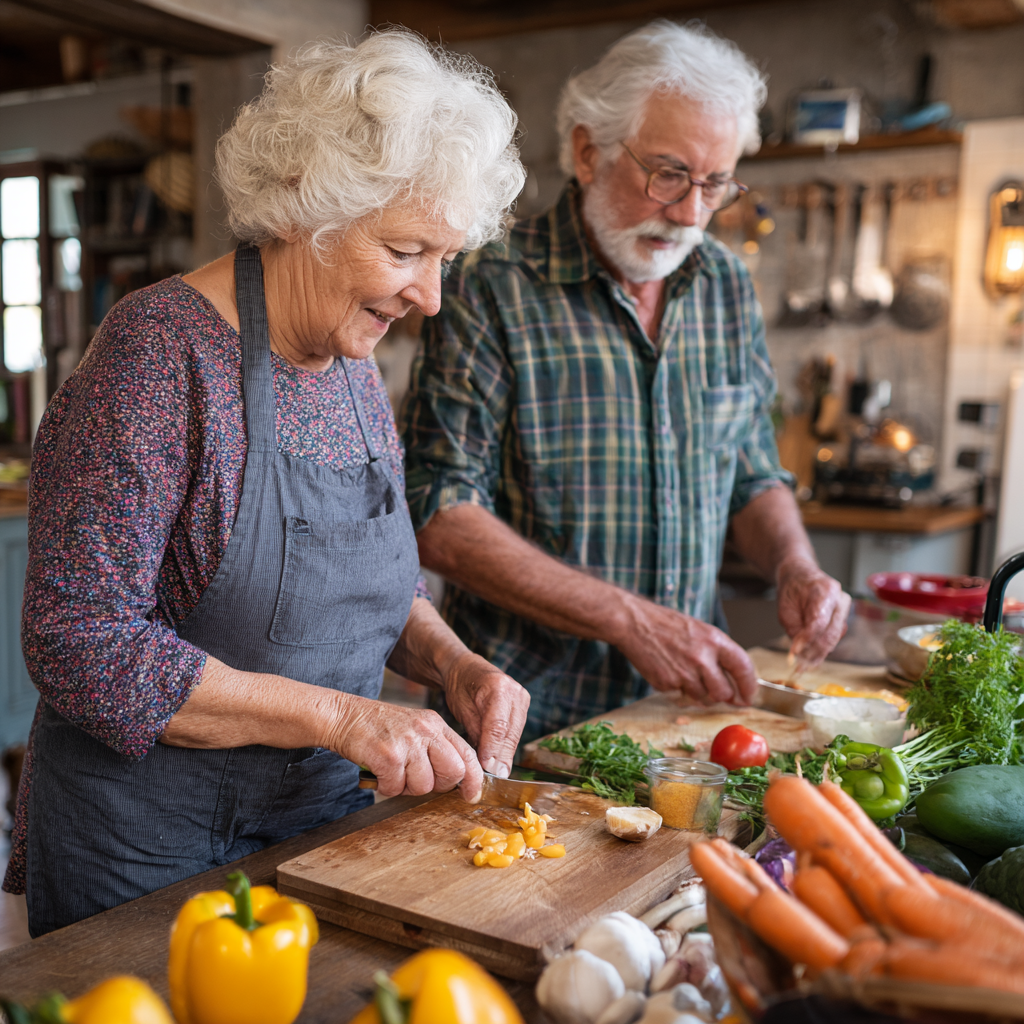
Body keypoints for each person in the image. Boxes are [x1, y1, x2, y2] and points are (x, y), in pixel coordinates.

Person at [5, 31, 530, 936]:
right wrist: (343, 719)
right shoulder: (158, 355)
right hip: (144, 850)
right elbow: (77, 642)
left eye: (445, 258)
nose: (431, 296)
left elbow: (373, 583)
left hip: (316, 828)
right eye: (406, 250)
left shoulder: (352, 367)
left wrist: (452, 663)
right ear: (305, 209)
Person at [401, 21, 850, 744]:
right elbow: (436, 512)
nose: (690, 213)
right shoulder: (496, 283)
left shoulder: (724, 283)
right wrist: (629, 618)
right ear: (587, 150)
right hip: (527, 722)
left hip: (687, 720)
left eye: (714, 184)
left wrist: (796, 567)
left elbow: (751, 470)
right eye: (668, 174)